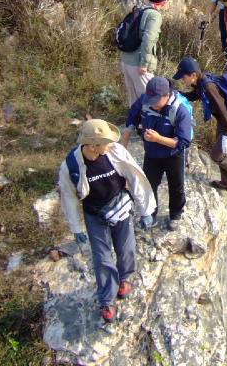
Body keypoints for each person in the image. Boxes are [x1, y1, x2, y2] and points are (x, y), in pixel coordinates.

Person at [59, 119, 156, 323]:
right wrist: (76, 227)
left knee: (126, 249)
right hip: (94, 214)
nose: (111, 144)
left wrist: (146, 210)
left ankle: (125, 277)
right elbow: (68, 197)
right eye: (106, 142)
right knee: (102, 258)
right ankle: (107, 299)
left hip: (120, 207)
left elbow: (135, 178)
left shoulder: (115, 152)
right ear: (93, 145)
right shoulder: (71, 166)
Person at [121, 77, 193, 231]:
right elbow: (130, 123)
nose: (152, 104)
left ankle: (175, 214)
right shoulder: (144, 102)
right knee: (149, 185)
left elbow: (183, 142)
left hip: (173, 155)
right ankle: (151, 214)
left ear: (167, 95)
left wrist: (158, 139)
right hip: (152, 154)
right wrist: (121, 154)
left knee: (176, 186)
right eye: (150, 99)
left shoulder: (180, 110)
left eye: (155, 100)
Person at [173, 57, 227, 191]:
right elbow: (195, 95)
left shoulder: (208, 86)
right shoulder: (201, 83)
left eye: (184, 77)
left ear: (193, 75)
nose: (182, 80)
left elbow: (222, 110)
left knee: (217, 155)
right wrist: (179, 94)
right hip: (225, 120)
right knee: (221, 151)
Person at [120, 0, 169, 106]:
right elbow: (148, 40)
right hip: (138, 64)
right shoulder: (154, 15)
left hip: (126, 60)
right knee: (152, 99)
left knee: (134, 101)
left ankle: (134, 118)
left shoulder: (140, 10)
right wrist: (144, 64)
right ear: (163, 2)